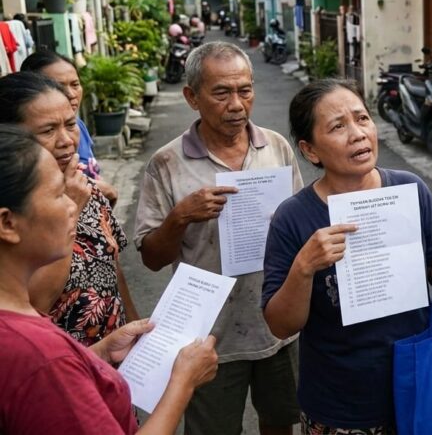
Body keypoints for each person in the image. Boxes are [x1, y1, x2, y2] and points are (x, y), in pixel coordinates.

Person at [262, 78, 432, 434]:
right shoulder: (293, 217)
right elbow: (281, 325)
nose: (358, 134)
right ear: (310, 150)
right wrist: (303, 268)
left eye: (362, 118)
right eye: (338, 126)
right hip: (340, 404)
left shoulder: (409, 188)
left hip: (420, 384)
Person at [0, 124, 219, 434]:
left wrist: (99, 353)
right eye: (59, 194)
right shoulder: (42, 355)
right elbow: (46, 369)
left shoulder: (22, 329)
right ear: (7, 223)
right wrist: (183, 382)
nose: (73, 205)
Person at [134, 42, 303, 435]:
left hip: (276, 325)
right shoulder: (167, 163)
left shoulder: (276, 147)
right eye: (222, 93)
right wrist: (180, 217)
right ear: (192, 97)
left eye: (245, 90)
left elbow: (300, 228)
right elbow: (152, 259)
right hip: (208, 337)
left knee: (280, 422)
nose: (237, 105)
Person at [0, 72, 139, 346]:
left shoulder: (86, 186)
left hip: (116, 351)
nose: (66, 140)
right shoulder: (15, 209)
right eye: (48, 130)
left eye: (70, 124)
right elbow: (35, 304)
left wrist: (138, 331)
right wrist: (72, 210)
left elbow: (112, 267)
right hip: (57, 358)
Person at [21, 50, 118, 204]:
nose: (71, 94)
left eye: (75, 84)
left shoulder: (78, 127)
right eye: (58, 87)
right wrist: (99, 189)